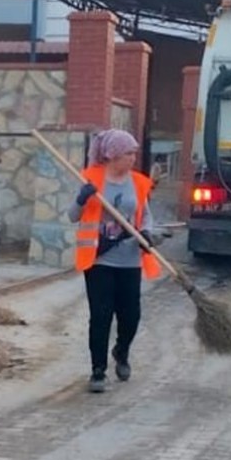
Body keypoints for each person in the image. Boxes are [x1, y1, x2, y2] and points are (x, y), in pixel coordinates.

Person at [72, 129, 162, 394]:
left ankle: (121, 352)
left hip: (129, 261)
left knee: (130, 316)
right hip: (99, 260)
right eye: (128, 153)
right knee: (100, 316)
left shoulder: (138, 183)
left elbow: (145, 215)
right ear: (112, 155)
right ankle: (97, 370)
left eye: (134, 153)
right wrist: (81, 198)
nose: (133, 158)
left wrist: (146, 231)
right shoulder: (92, 180)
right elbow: (72, 215)